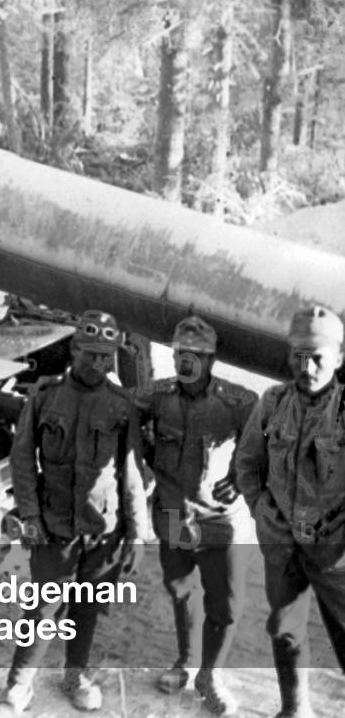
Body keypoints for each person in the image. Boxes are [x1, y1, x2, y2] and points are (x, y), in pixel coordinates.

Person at [0, 310, 149, 716]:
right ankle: (18, 686)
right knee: (42, 607)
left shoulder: (122, 405)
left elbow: (132, 473)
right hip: (53, 524)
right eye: (91, 354)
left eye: (106, 357)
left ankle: (76, 676)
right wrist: (30, 517)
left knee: (87, 606)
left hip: (103, 527)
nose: (98, 364)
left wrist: (137, 534)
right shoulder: (45, 396)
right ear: (74, 349)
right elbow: (22, 459)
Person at [137, 315, 257, 714]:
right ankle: (187, 663)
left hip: (219, 520)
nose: (186, 361)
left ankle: (211, 675)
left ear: (211, 360)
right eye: (180, 353)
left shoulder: (238, 402)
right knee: (182, 591)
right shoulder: (157, 397)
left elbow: (265, 443)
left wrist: (240, 477)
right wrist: (143, 463)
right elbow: (123, 419)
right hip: (174, 512)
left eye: (197, 355)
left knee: (227, 605)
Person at [235, 306, 345, 718]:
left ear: (339, 357)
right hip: (282, 546)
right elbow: (248, 464)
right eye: (299, 355)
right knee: (285, 631)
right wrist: (261, 512)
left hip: (335, 554)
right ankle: (294, 710)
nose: (307, 367)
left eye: (317, 357)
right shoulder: (273, 402)